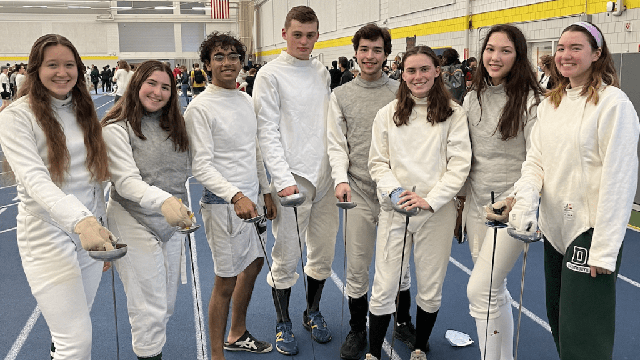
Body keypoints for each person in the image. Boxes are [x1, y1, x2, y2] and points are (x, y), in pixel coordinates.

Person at [498, 21, 639, 360]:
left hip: (588, 233)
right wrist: (525, 203)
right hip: (554, 230)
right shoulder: (550, 105)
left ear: (597, 53)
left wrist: (604, 249)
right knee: (559, 320)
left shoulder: (613, 104)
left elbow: (620, 178)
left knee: (584, 334)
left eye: (576, 48)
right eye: (561, 48)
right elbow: (536, 163)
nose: (566, 54)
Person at [0, 33, 113, 359]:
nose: (62, 72)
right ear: (36, 69)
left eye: (69, 65)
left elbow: (93, 179)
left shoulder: (82, 108)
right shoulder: (16, 116)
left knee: (73, 328)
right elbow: (34, 179)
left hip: (89, 234)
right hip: (47, 235)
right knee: (76, 342)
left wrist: (101, 228)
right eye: (52, 65)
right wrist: (83, 222)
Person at [367, 45, 471, 360]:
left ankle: (420, 347)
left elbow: (459, 165)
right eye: (411, 70)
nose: (418, 76)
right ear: (402, 74)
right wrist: (396, 192)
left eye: (424, 69)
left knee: (430, 282)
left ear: (437, 71)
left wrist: (429, 199)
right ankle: (373, 353)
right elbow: (377, 163)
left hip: (435, 213)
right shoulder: (387, 114)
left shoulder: (454, 113)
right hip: (395, 210)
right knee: (385, 284)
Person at [327, 23, 416, 360]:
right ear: (355, 52)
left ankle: (403, 320)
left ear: (386, 54)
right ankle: (356, 328)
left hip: (396, 192)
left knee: (400, 262)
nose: (369, 56)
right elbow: (336, 145)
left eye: (376, 50)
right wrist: (340, 180)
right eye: (364, 49)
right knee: (358, 264)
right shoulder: (340, 95)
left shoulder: (401, 91)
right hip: (359, 191)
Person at [253, 5, 339, 356]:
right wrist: (282, 180)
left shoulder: (321, 72)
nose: (304, 41)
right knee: (287, 254)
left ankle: (312, 311)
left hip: (327, 177)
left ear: (317, 36)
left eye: (310, 34)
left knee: (323, 251)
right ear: (285, 34)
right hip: (293, 179)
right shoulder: (270, 75)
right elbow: (266, 131)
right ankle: (282, 320)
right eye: (298, 34)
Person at [185, 31, 277, 360]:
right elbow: (202, 167)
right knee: (224, 283)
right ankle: (215, 355)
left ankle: (236, 333)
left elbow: (254, 152)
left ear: (241, 62)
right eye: (219, 57)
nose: (227, 62)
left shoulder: (245, 99)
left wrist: (265, 191)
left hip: (251, 202)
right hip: (223, 205)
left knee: (252, 266)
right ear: (207, 64)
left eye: (233, 56)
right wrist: (236, 195)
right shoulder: (200, 108)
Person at [458, 24, 543, 360]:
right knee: (493, 291)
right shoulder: (471, 98)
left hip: (511, 210)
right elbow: (464, 156)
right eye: (490, 49)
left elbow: (538, 161)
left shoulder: (533, 102)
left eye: (505, 50)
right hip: (477, 208)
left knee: (481, 290)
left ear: (518, 56)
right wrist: (460, 201)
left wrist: (515, 201)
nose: (495, 57)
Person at [101, 60, 193, 360]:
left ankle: (151, 350)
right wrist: (164, 201)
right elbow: (126, 182)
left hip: (172, 224)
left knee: (164, 306)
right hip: (132, 218)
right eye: (151, 84)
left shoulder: (176, 126)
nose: (157, 92)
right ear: (136, 84)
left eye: (165, 87)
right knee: (147, 307)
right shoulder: (117, 128)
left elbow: (196, 167)